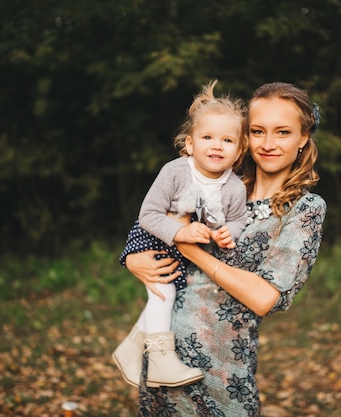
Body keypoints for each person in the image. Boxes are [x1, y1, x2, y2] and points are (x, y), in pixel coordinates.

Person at [122, 81, 326, 416]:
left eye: (283, 132)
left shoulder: (304, 209)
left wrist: (192, 251)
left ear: (303, 137)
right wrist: (131, 258)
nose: (269, 143)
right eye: (258, 131)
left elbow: (264, 298)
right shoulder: (222, 184)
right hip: (162, 357)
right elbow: (156, 220)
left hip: (221, 372)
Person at [112, 80, 249, 389]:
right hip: (154, 236)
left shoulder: (234, 187)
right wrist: (182, 231)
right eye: (207, 137)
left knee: (166, 293)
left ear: (239, 150)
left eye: (227, 140)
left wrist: (230, 232)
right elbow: (148, 215)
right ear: (190, 144)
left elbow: (239, 220)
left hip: (185, 248)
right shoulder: (174, 172)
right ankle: (161, 361)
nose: (216, 145)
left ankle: (130, 350)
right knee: (165, 292)